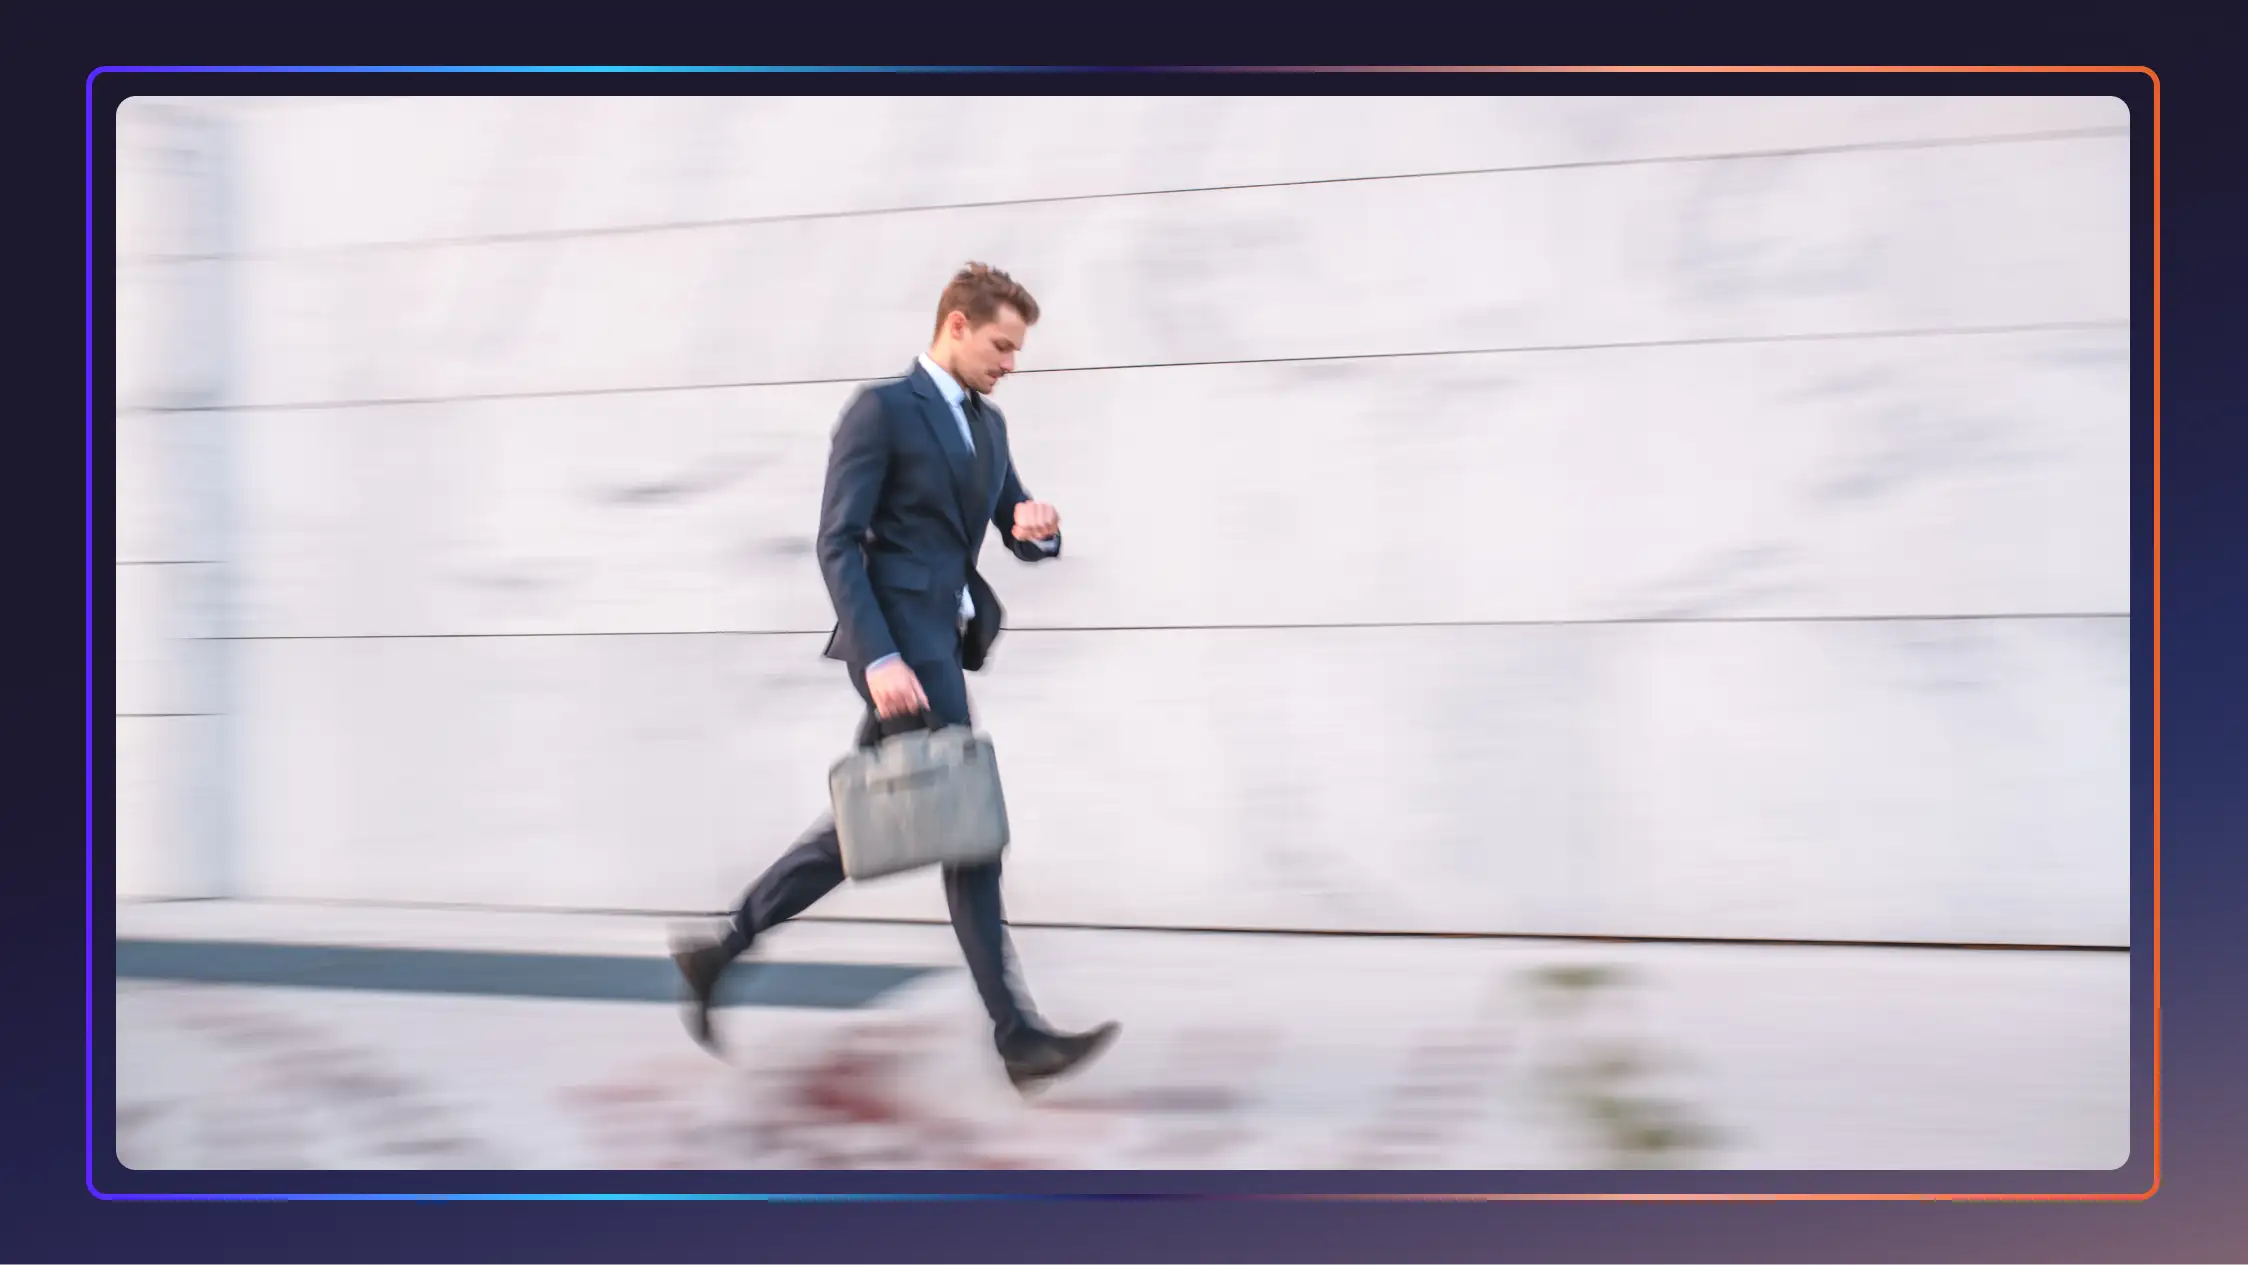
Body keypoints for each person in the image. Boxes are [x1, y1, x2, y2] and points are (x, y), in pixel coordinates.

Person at [672, 263, 1120, 1093]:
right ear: (956, 325)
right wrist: (877, 659)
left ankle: (722, 946)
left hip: (941, 647)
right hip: (899, 653)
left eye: (1017, 349)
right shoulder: (881, 410)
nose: (1012, 362)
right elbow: (837, 542)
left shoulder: (988, 427)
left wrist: (1037, 529)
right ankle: (1018, 1037)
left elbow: (1010, 523)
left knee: (866, 827)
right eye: (1001, 344)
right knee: (970, 830)